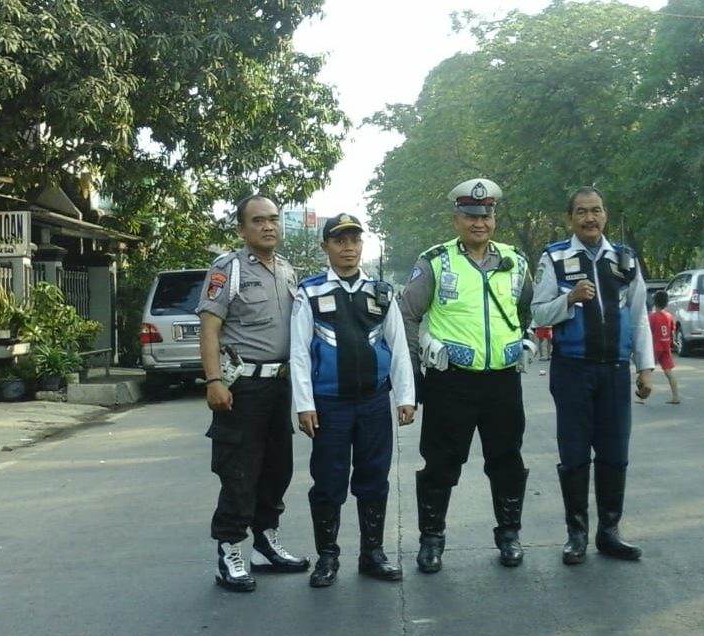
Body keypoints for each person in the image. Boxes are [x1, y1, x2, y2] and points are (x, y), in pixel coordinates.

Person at [399, 178, 536, 572]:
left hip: (503, 382)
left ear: (494, 218)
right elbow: (407, 315)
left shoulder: (515, 261)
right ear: (456, 218)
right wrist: (412, 376)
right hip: (451, 382)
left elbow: (531, 307)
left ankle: (509, 535)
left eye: (486, 215)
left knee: (507, 459)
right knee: (441, 463)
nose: (479, 222)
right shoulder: (435, 261)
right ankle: (431, 541)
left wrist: (526, 341)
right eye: (470, 215)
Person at [290, 213, 417, 588]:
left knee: (374, 479)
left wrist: (405, 397)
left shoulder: (381, 292)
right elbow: (298, 352)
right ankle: (328, 557)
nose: (349, 248)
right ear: (326, 246)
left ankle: (372, 554)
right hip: (329, 405)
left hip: (375, 403)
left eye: (355, 240)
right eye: (340, 241)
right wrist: (304, 404)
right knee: (329, 482)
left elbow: (398, 348)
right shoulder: (310, 292)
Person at [531, 186, 653, 565]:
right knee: (574, 454)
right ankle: (577, 534)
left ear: (606, 215)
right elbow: (537, 313)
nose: (589, 218)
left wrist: (645, 367)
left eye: (596, 210)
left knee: (615, 453)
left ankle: (610, 531)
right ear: (570, 218)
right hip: (572, 370)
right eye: (581, 212)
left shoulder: (625, 259)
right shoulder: (555, 258)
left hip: (615, 371)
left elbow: (639, 316)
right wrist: (568, 299)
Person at [197, 194, 310, 593]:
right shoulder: (227, 269)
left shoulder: (286, 271)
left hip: (279, 385)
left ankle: (265, 544)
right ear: (242, 229)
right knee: (240, 472)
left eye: (274, 219)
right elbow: (209, 327)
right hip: (241, 387)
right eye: (258, 220)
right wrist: (214, 380)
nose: (268, 227)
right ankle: (230, 550)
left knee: (277, 469)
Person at [647, 290, 681, 404]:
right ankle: (676, 396)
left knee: (646, 372)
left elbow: (648, 333)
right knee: (669, 372)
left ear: (654, 302)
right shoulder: (669, 316)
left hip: (655, 347)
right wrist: (673, 342)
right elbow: (672, 332)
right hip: (666, 346)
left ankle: (641, 396)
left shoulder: (652, 317)